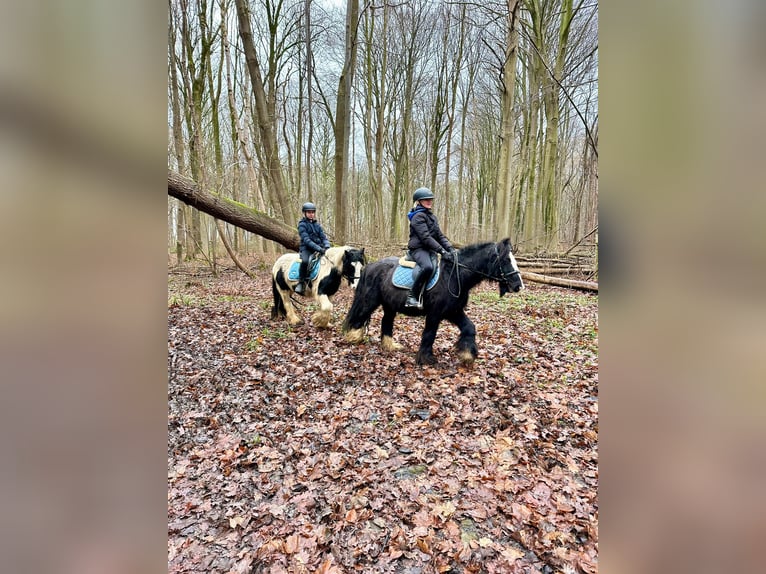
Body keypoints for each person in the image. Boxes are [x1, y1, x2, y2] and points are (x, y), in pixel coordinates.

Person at [405, 187, 457, 309]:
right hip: (418, 249)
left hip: (429, 249)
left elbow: (439, 236)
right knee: (427, 267)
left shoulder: (432, 217)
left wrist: (450, 248)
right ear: (418, 202)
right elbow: (426, 238)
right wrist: (442, 251)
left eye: (430, 199)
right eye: (425, 200)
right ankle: (412, 296)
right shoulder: (417, 217)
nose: (429, 201)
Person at [295, 202, 331, 295]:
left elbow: (324, 238)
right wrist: (319, 248)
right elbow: (307, 240)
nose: (311, 214)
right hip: (306, 249)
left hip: (319, 248)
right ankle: (301, 282)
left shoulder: (317, 225)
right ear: (305, 213)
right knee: (305, 261)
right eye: (309, 212)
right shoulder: (302, 224)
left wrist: (327, 246)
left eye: (312, 212)